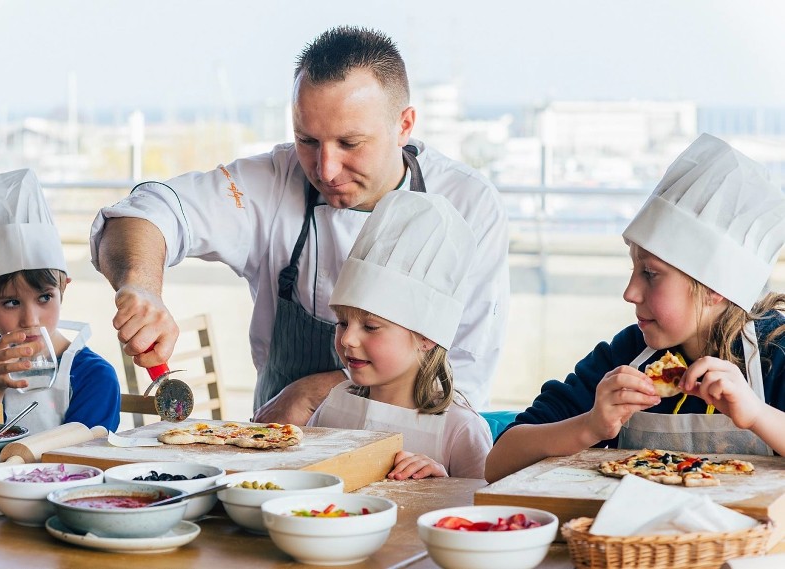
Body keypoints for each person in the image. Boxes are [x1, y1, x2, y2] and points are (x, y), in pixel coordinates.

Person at [89, 26, 510, 424]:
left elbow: (463, 383)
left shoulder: (470, 204)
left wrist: (318, 392)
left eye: (349, 143)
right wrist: (141, 286)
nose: (325, 169)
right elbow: (143, 213)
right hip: (280, 450)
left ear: (404, 125)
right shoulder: (272, 181)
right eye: (307, 140)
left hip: (412, 456)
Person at [485, 134, 785, 483]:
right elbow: (498, 462)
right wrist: (590, 425)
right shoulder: (627, 356)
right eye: (633, 269)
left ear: (714, 288)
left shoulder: (776, 354)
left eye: (651, 274)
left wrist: (757, 415)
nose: (630, 292)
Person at [307, 190, 492, 480]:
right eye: (342, 323)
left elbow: (485, 512)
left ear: (426, 337)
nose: (347, 339)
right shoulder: (334, 405)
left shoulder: (460, 430)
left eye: (370, 327)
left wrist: (442, 485)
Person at [0, 169, 120, 433]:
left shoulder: (94, 377)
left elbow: (79, 464)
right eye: (11, 302)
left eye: (44, 297)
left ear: (63, 289)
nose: (30, 320)